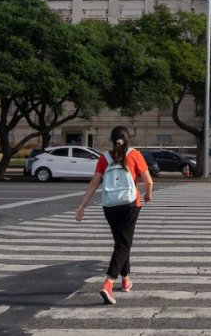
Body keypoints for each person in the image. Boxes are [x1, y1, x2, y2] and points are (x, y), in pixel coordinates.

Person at [75, 126, 153, 305]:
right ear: (128, 139)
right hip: (130, 204)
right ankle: (109, 283)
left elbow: (94, 183)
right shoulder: (134, 155)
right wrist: (148, 195)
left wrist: (81, 206)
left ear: (112, 140)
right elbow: (148, 180)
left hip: (110, 205)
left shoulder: (104, 158)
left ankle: (126, 280)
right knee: (124, 244)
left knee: (121, 242)